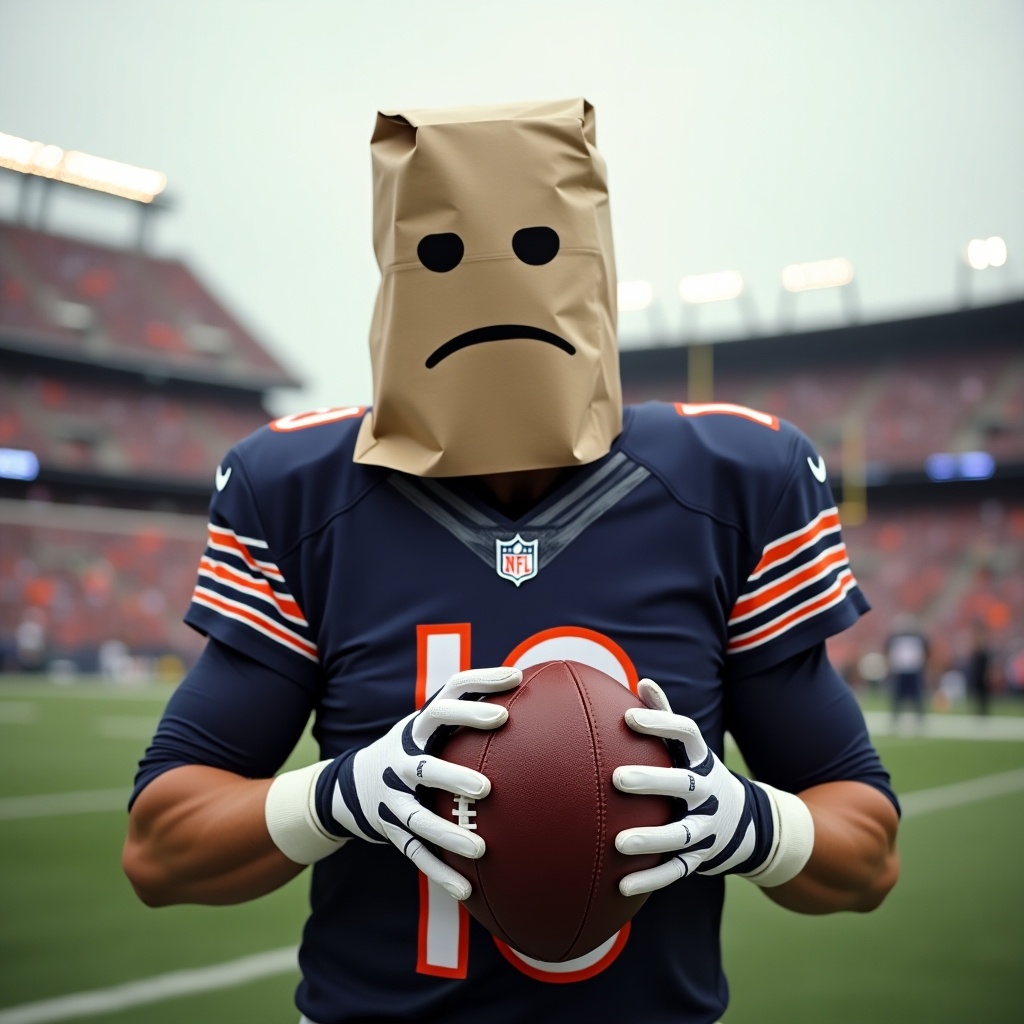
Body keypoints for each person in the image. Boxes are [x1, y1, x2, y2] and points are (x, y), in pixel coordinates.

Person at [122, 99, 900, 1024]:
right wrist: (339, 797)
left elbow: (867, 856)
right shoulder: (302, 492)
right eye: (443, 258)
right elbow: (161, 851)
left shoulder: (730, 484)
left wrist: (750, 824)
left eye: (539, 250)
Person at [885, 613, 930, 724]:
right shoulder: (894, 638)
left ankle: (920, 717)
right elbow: (887, 650)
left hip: (914, 670)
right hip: (900, 670)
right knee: (897, 696)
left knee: (917, 696)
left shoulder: (919, 637)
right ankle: (896, 717)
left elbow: (927, 651)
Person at [964, 618, 993, 715]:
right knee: (976, 691)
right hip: (976, 667)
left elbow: (984, 654)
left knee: (983, 692)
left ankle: (983, 712)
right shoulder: (974, 637)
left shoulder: (982, 637)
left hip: (982, 665)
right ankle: (978, 711)